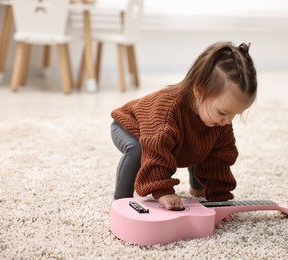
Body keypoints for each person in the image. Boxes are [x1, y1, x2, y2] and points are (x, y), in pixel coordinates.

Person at [110, 41, 258, 210]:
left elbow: (220, 158)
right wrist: (162, 190)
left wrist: (220, 198)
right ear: (199, 92)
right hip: (131, 126)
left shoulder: (220, 121)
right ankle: (120, 200)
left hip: (171, 135)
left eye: (235, 115)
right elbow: (156, 150)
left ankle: (197, 188)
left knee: (202, 141)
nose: (228, 121)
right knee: (138, 149)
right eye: (224, 113)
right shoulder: (167, 111)